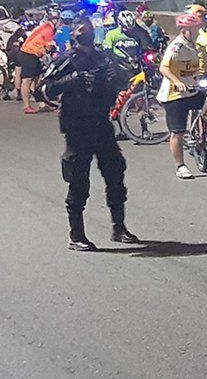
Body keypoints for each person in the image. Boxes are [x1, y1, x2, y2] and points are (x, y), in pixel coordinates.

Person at [41, 18, 140, 250]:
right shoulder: (66, 60)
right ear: (73, 34)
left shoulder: (103, 57)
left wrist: (116, 76)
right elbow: (42, 90)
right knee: (78, 180)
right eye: (81, 30)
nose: (87, 32)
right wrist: (71, 81)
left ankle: (119, 227)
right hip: (77, 128)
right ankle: (76, 234)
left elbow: (125, 81)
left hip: (101, 123)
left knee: (115, 172)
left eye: (89, 29)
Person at [159, 14, 204, 179]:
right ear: (185, 30)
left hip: (192, 89)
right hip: (174, 94)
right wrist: (177, 82)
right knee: (177, 131)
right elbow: (164, 68)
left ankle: (205, 137)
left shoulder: (194, 45)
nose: (198, 31)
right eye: (194, 29)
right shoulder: (176, 46)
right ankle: (180, 165)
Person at [15, 7, 59, 114]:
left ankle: (42, 104)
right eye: (59, 20)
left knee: (36, 80)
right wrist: (53, 50)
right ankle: (27, 106)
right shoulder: (49, 30)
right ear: (55, 20)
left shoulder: (45, 26)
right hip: (29, 54)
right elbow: (48, 47)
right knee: (27, 80)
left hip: (29, 53)